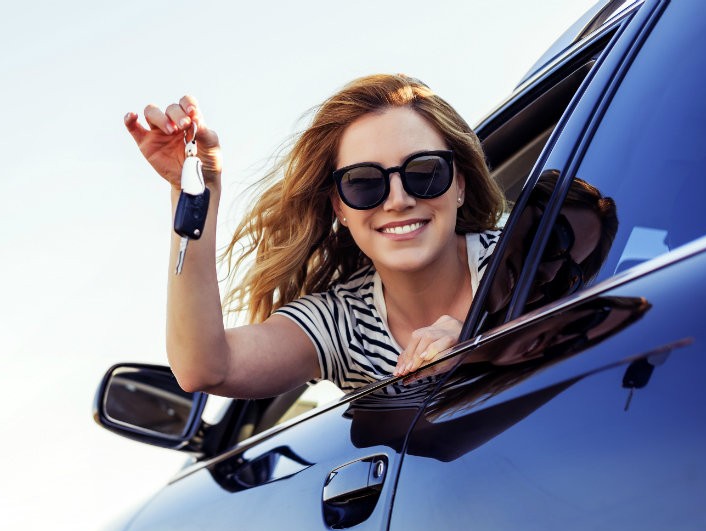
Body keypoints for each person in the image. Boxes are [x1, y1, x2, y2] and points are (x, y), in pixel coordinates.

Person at [124, 74, 507, 400]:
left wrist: (484, 341)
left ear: (459, 184)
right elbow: (205, 368)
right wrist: (196, 192)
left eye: (424, 171)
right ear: (339, 207)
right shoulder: (341, 323)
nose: (398, 200)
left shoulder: (523, 258)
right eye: (363, 182)